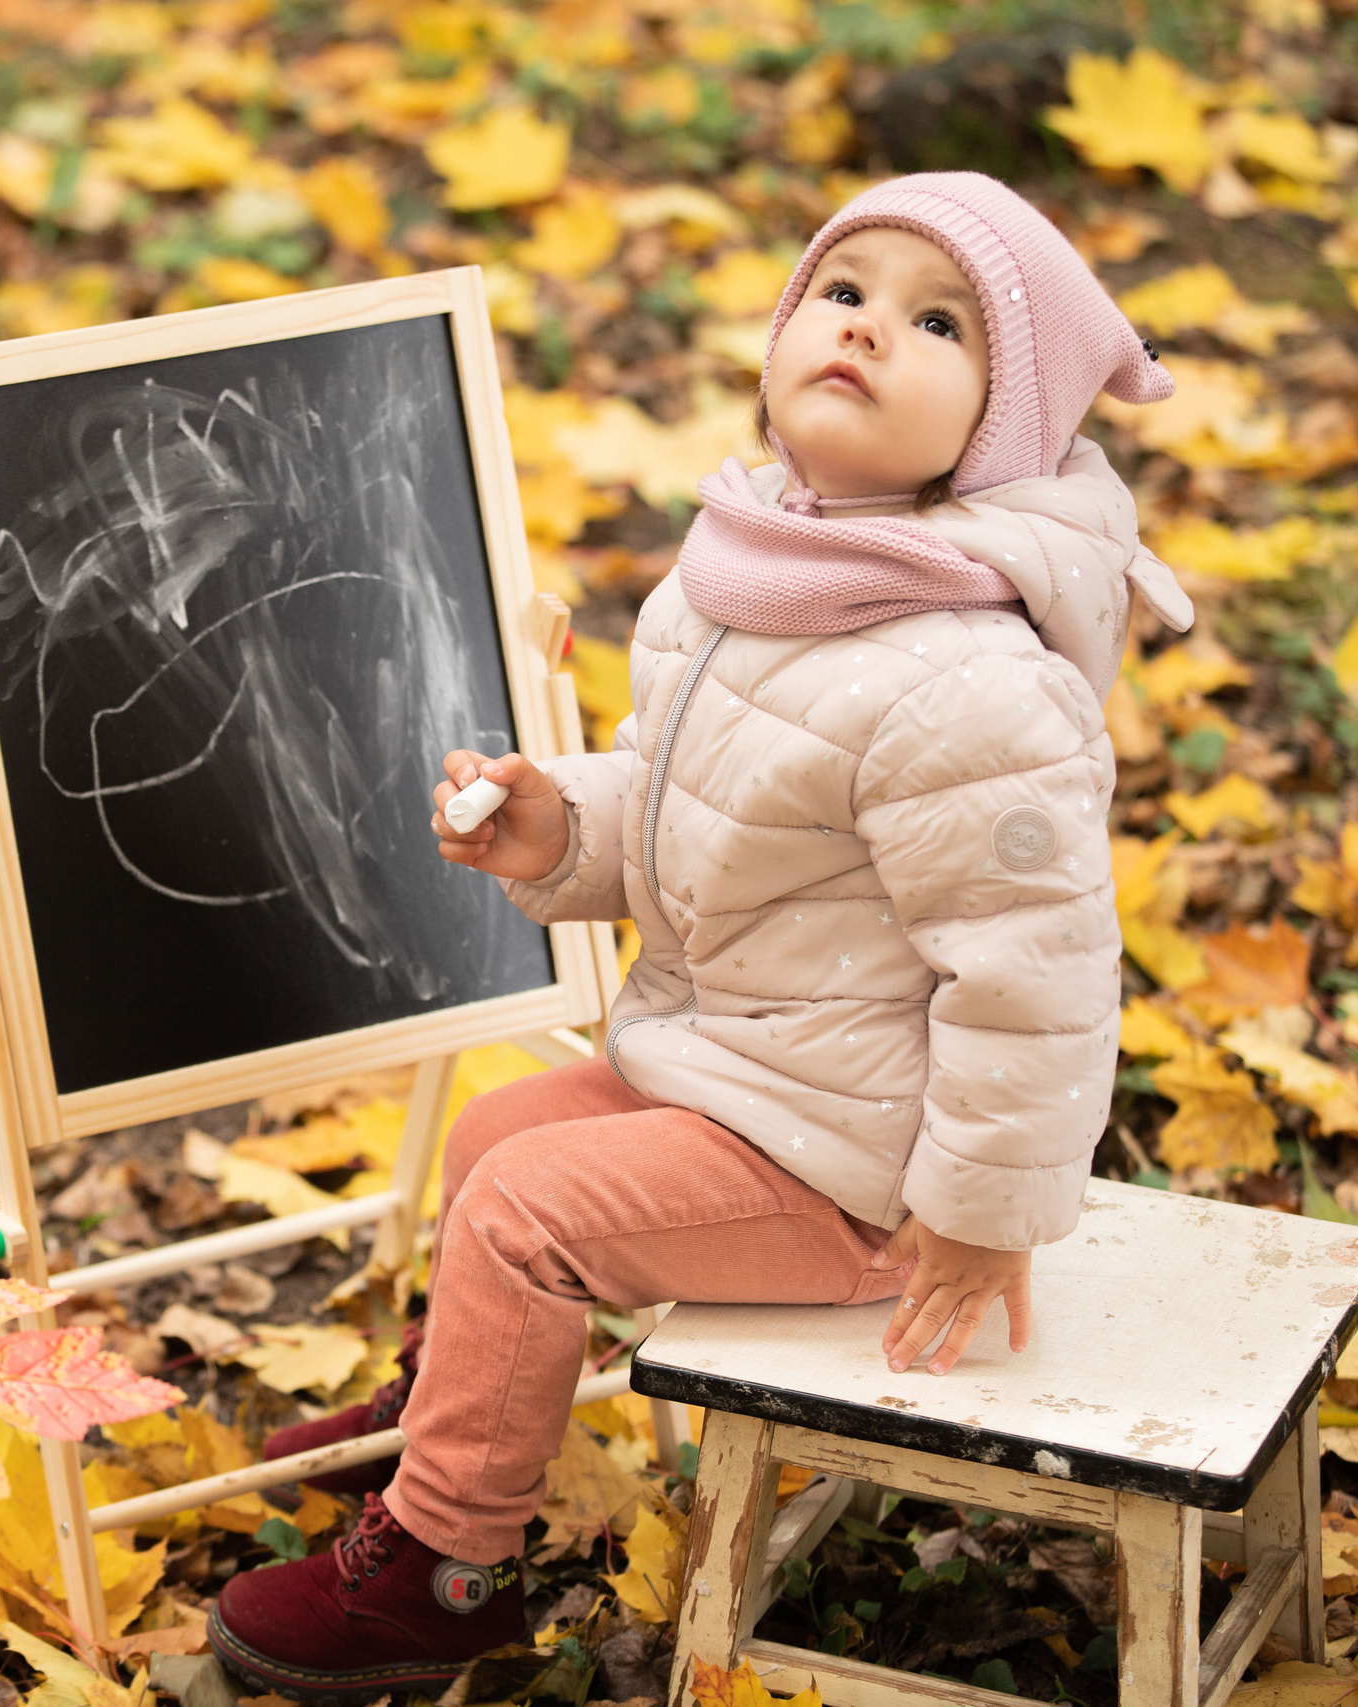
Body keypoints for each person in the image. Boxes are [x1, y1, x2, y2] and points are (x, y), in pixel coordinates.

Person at [207, 171, 1196, 1702]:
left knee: (525, 1208)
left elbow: (1037, 972)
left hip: (865, 1172)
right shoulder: (756, 567)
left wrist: (982, 1209)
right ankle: (449, 1418)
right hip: (752, 1072)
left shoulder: (970, 679)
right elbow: (703, 817)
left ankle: (443, 1569)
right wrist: (565, 829)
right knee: (496, 1138)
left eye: (940, 324)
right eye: (843, 290)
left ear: (1003, 427)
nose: (867, 329)